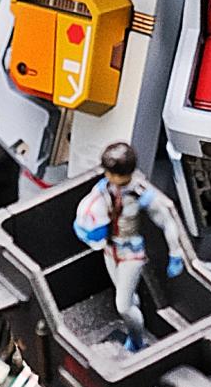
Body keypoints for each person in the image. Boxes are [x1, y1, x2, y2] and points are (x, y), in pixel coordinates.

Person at [72, 141, 185, 351]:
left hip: (130, 255)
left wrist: (175, 252)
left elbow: (166, 220)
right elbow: (89, 214)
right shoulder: (103, 190)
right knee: (127, 296)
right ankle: (135, 324)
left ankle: (136, 340)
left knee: (123, 306)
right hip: (109, 250)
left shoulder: (140, 193)